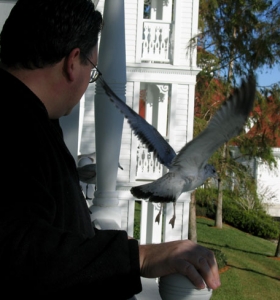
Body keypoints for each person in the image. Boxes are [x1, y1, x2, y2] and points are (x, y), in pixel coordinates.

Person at [0, 0, 221, 298]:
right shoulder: (16, 130)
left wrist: (117, 249)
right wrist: (139, 257)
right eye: (92, 70)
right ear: (72, 62)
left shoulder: (34, 121)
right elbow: (22, 256)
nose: (89, 81)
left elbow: (53, 228)